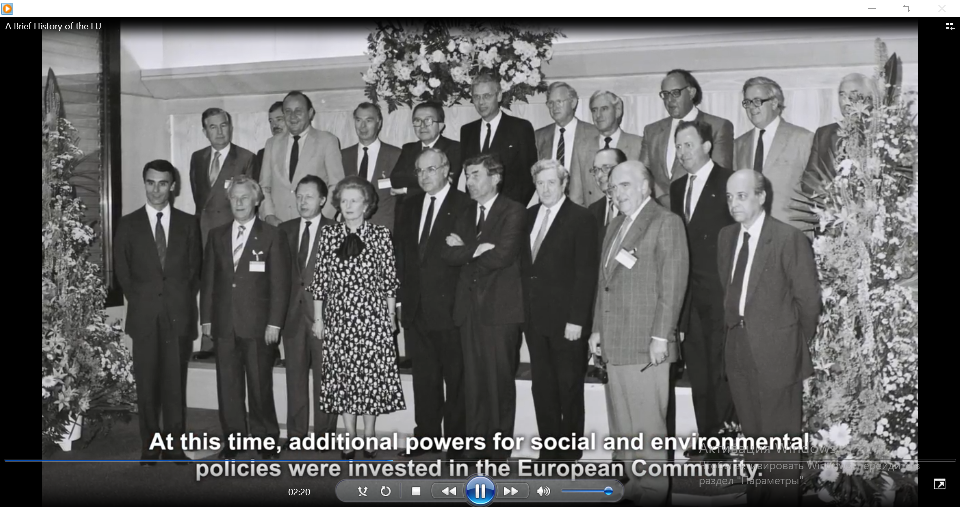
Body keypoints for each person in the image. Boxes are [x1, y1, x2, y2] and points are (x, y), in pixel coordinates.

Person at [589, 160, 688, 505]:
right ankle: (634, 486)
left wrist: (661, 336)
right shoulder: (616, 225)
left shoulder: (665, 222)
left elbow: (673, 286)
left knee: (648, 428)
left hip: (647, 344)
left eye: (625, 185)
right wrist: (597, 330)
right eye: (613, 188)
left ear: (645, 186)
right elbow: (604, 285)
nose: (617, 193)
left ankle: (654, 493)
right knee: (625, 428)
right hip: (615, 342)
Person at [720, 169, 820, 507]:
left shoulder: (788, 238)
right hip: (737, 349)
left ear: (761, 197)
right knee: (752, 441)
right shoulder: (725, 237)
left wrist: (789, 342)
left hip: (778, 353)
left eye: (742, 195)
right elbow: (729, 293)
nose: (734, 203)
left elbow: (809, 302)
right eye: (730, 196)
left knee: (780, 447)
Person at [310, 176, 405, 459]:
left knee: (370, 378)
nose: (349, 205)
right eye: (344, 200)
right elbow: (320, 281)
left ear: (366, 205)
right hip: (339, 318)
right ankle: (349, 436)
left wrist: (391, 316)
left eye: (355, 200)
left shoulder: (381, 235)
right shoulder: (328, 235)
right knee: (344, 378)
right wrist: (318, 319)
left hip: (372, 318)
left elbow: (389, 281)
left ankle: (369, 434)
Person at [114, 160, 201, 466]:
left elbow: (194, 271)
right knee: (147, 385)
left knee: (175, 385)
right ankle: (151, 447)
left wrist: (176, 301)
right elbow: (122, 271)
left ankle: (175, 447)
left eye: (163, 183)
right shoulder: (128, 224)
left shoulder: (189, 224)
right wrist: (143, 300)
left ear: (172, 186)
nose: (156, 189)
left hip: (178, 315)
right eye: (150, 182)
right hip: (144, 316)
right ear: (145, 183)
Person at [442, 154, 525, 461]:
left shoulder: (513, 210)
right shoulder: (465, 211)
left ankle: (497, 453)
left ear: (495, 177)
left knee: (498, 383)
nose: (469, 182)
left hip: (500, 310)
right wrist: (476, 249)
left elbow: (503, 255)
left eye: (475, 175)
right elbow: (446, 254)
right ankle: (475, 448)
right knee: (474, 383)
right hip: (468, 309)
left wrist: (464, 250)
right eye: (467, 176)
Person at [200, 175, 290, 459]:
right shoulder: (216, 235)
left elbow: (280, 284)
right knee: (228, 386)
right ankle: (234, 440)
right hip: (224, 324)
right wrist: (206, 319)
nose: (239, 202)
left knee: (260, 386)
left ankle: (266, 439)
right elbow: (209, 280)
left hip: (259, 326)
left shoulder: (272, 235)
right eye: (234, 197)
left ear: (256, 200)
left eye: (245, 197)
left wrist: (274, 322)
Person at [394, 148, 473, 460]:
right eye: (420, 170)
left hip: (451, 308)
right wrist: (400, 301)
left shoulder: (466, 204)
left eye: (431, 169)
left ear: (446, 170)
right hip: (415, 308)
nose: (424, 176)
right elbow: (402, 256)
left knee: (456, 379)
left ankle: (457, 444)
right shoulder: (409, 205)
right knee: (424, 379)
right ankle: (425, 437)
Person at [520, 159, 599, 462]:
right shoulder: (527, 216)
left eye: (551, 182)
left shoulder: (581, 218)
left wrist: (577, 319)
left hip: (568, 323)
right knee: (542, 388)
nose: (545, 188)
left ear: (564, 184)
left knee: (568, 387)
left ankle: (569, 453)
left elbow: (586, 274)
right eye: (540, 183)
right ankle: (549, 451)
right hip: (534, 319)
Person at [669, 121, 736, 459]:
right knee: (697, 366)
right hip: (688, 294)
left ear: (707, 146)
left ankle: (725, 438)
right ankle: (707, 433)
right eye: (678, 146)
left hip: (721, 291)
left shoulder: (729, 182)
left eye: (688, 145)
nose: (682, 152)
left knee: (721, 366)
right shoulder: (677, 187)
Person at [189, 108, 256, 361]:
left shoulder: (246, 157)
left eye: (223, 125)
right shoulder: (197, 157)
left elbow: (250, 199)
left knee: (233, 286)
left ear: (231, 127)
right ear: (204, 131)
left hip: (232, 233)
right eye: (213, 127)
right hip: (204, 234)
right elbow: (199, 198)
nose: (219, 131)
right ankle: (209, 343)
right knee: (209, 286)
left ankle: (235, 341)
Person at [278, 175, 338, 452]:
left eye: (309, 196)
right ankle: (296, 434)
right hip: (292, 316)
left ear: (323, 200)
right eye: (299, 196)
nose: (303, 202)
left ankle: (324, 436)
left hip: (324, 318)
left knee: (325, 379)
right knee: (295, 378)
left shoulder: (336, 231)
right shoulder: (284, 230)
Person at [640, 69, 734, 208]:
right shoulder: (651, 131)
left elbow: (719, 178)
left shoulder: (717, 126)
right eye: (665, 94)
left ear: (691, 92)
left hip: (700, 210)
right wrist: (662, 199)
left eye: (675, 93)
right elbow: (642, 173)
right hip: (659, 210)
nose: (669, 100)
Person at [733, 77, 814, 229]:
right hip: (750, 233)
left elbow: (817, 194)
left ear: (774, 103)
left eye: (757, 101)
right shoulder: (738, 145)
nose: (751, 107)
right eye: (747, 102)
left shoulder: (803, 139)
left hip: (791, 233)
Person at [260, 90, 345, 223]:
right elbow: (264, 187)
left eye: (298, 111)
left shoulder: (327, 141)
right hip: (278, 226)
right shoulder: (272, 144)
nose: (292, 116)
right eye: (288, 111)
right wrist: (269, 216)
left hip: (315, 226)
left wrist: (322, 220)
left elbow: (337, 186)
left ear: (310, 113)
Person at [459, 73, 538, 205]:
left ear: (499, 96)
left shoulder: (520, 128)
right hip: (475, 208)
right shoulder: (467, 131)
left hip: (509, 209)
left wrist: (514, 209)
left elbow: (530, 175)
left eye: (487, 96)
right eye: (476, 97)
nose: (481, 102)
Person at [534, 82, 601, 206]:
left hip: (584, 208)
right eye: (550, 103)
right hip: (549, 207)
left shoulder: (594, 133)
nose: (554, 107)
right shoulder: (539, 136)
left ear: (573, 102)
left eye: (559, 101)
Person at [341, 102, 402, 232]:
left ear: (379, 123)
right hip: (348, 231)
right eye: (359, 120)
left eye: (369, 120)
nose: (363, 126)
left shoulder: (396, 155)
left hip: (383, 231)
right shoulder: (342, 156)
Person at [389, 100, 463, 199]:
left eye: (428, 120)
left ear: (440, 126)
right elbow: (395, 180)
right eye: (417, 120)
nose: (422, 126)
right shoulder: (408, 148)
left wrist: (405, 190)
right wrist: (432, 179)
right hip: (408, 206)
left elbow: (446, 184)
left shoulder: (454, 148)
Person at [587, 148, 628, 242]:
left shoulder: (634, 206)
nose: (599, 175)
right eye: (596, 170)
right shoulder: (593, 210)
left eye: (606, 168)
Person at [589, 90, 643, 160]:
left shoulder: (639, 144)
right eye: (594, 110)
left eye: (604, 109)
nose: (598, 115)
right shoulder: (583, 147)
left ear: (618, 111)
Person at [254, 101, 287, 183]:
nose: (274, 125)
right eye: (271, 121)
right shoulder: (262, 154)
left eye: (279, 119)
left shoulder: (302, 149)